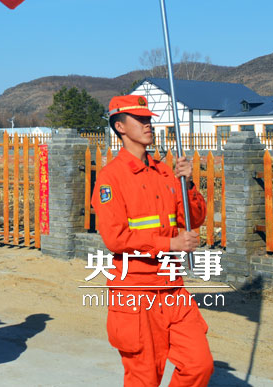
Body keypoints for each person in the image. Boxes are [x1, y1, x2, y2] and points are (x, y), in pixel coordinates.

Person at [91, 95, 213, 387]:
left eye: (148, 119)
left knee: (199, 365)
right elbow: (115, 238)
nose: (148, 124)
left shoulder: (166, 171)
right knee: (144, 377)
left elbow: (193, 219)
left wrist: (190, 184)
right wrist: (170, 245)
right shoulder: (111, 178)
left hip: (172, 288)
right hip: (135, 290)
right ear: (119, 127)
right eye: (140, 119)